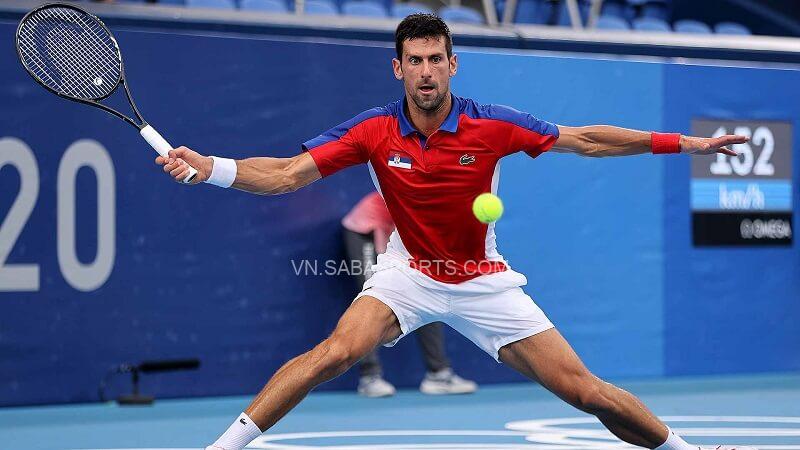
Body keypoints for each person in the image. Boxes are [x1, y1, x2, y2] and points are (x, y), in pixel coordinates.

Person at [157, 14, 751, 450]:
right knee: (332, 354)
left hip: (482, 281)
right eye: (413, 61)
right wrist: (210, 168)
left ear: (452, 64)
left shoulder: (493, 125)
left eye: (435, 59)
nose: (425, 72)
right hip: (408, 272)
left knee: (585, 392)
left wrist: (685, 144)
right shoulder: (371, 130)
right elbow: (286, 175)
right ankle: (223, 448)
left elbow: (587, 139)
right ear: (398, 67)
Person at [342, 191, 478, 397]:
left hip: (394, 235)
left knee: (426, 295)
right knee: (370, 293)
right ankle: (370, 377)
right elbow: (387, 247)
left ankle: (438, 375)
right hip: (366, 231)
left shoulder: (441, 199)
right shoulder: (412, 195)